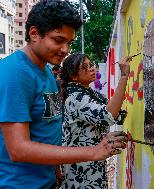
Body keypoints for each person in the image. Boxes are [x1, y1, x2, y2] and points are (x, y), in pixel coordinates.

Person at [0, 1, 127, 188]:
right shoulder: (15, 73)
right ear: (34, 34)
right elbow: (18, 149)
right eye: (58, 40)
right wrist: (94, 151)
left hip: (48, 180)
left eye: (69, 42)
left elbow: (47, 129)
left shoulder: (46, 74)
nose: (65, 50)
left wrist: (57, 171)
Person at [60, 52, 130, 189]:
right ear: (74, 76)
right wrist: (123, 77)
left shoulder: (89, 94)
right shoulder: (76, 98)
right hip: (80, 171)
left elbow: (115, 114)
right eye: (85, 67)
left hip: (91, 164)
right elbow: (108, 115)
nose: (91, 68)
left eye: (91, 64)